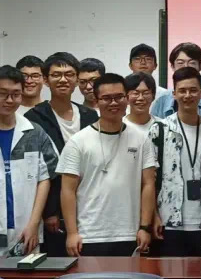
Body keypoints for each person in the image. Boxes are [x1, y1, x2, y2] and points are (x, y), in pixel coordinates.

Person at [56, 73, 156, 256]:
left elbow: (148, 184)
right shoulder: (78, 141)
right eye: (107, 98)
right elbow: (67, 190)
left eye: (119, 97)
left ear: (127, 98)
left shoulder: (142, 139)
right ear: (96, 101)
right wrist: (71, 233)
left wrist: (144, 227)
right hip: (89, 235)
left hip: (130, 234)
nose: (114, 103)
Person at [0, 66, 58, 256]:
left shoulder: (34, 132)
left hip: (27, 231)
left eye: (16, 94)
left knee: (27, 274)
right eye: (2, 94)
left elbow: (44, 179)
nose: (9, 100)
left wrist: (34, 224)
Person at [148, 67, 201, 256]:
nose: (187, 95)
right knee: (171, 273)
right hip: (168, 219)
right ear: (174, 94)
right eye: (182, 90)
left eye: (193, 90)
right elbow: (150, 179)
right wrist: (154, 215)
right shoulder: (160, 129)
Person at [27, 52, 98, 255]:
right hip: (54, 210)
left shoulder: (90, 115)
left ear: (76, 79)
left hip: (90, 204)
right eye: (56, 74)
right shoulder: (34, 117)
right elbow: (39, 168)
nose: (63, 79)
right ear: (46, 80)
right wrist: (50, 211)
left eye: (69, 74)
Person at [150, 42, 201, 120]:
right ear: (172, 66)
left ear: (200, 66)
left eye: (192, 63)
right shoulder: (162, 99)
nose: (186, 66)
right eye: (180, 63)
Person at [123, 72, 159, 136]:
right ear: (126, 96)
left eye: (146, 93)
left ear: (153, 96)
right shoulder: (119, 126)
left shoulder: (163, 127)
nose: (140, 98)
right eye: (135, 93)